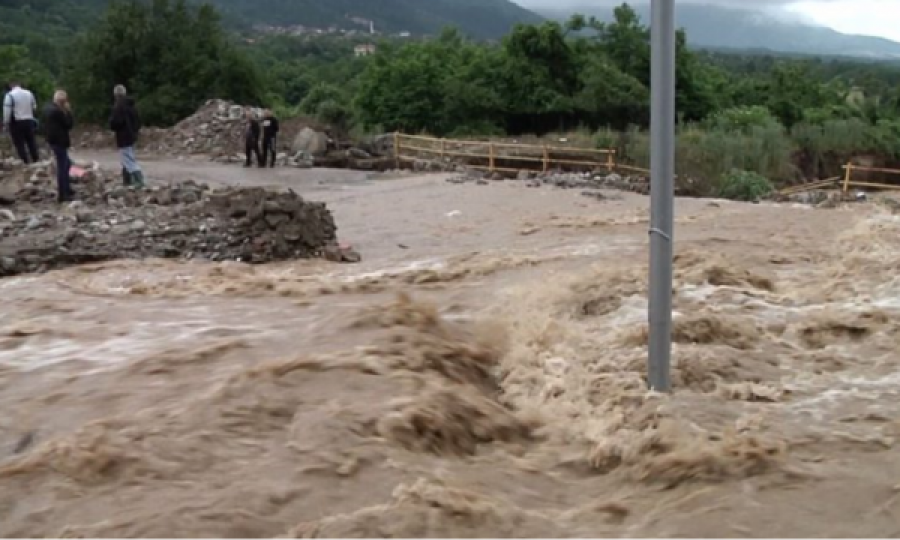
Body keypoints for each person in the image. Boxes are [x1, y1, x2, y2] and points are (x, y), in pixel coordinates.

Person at [109, 84, 145, 187]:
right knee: (127, 157)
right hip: (132, 135)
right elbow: (138, 121)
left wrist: (112, 124)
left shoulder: (118, 107)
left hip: (123, 136)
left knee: (128, 158)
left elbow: (116, 123)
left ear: (115, 95)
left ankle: (139, 180)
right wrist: (135, 131)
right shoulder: (131, 106)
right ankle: (127, 179)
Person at [44, 90, 75, 203]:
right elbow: (69, 124)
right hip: (60, 141)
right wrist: (68, 112)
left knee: (66, 164)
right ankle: (63, 193)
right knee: (63, 167)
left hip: (53, 140)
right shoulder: (58, 112)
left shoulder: (48, 109)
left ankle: (67, 189)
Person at [2, 81, 40, 164]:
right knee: (31, 141)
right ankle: (36, 159)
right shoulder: (29, 93)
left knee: (19, 143)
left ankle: (24, 161)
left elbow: (7, 111)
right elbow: (34, 107)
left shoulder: (10, 95)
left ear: (11, 85)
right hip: (29, 120)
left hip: (16, 122)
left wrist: (6, 123)